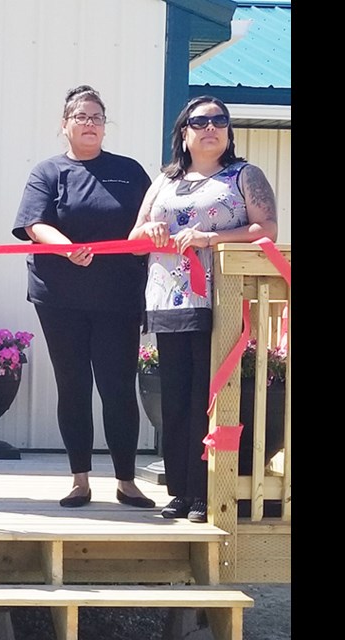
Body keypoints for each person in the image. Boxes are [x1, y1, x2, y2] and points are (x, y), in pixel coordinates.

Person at [129, 95, 277, 523]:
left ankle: (204, 491)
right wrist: (152, 228)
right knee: (173, 397)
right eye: (200, 121)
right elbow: (136, 234)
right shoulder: (164, 180)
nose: (210, 127)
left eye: (219, 121)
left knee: (206, 397)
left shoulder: (244, 175)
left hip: (219, 297)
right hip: (168, 299)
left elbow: (266, 227)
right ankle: (178, 489)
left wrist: (211, 239)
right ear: (184, 131)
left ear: (228, 132)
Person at [12, 85, 154, 509]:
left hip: (118, 299)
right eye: (81, 117)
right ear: (65, 126)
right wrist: (64, 246)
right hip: (60, 299)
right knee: (73, 386)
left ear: (105, 126)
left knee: (117, 388)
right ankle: (80, 480)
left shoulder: (129, 172)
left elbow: (151, 221)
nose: (90, 124)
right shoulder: (48, 172)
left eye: (97, 117)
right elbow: (35, 224)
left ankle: (127, 482)